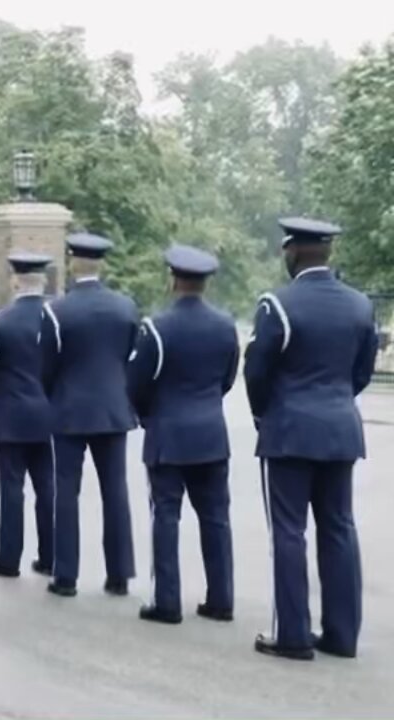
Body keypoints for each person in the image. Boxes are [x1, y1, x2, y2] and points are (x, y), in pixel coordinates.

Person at [244, 218, 378, 661]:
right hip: (340, 428)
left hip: (289, 431)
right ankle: (342, 635)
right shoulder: (360, 306)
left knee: (288, 531)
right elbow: (361, 371)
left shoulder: (278, 304)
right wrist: (335, 402)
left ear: (292, 252)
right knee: (339, 527)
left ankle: (294, 635)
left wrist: (264, 414)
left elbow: (257, 370)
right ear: (328, 253)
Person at [127, 245, 239, 625]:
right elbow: (226, 379)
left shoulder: (157, 327)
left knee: (166, 517)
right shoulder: (226, 325)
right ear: (205, 283)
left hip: (169, 432)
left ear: (172, 278)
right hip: (210, 432)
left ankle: (167, 601)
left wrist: (148, 415)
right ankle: (221, 598)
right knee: (216, 517)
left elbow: (137, 383)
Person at [39, 233, 138, 598]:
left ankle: (66, 575)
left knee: (66, 491)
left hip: (69, 407)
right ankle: (119, 574)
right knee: (115, 491)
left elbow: (46, 366)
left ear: (72, 262)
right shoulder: (125, 307)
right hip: (113, 409)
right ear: (101, 264)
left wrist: (57, 394)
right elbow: (130, 355)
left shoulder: (57, 310)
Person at [0, 252, 55, 578]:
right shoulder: (57, 319)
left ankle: (9, 558)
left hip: (10, 415)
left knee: (10, 489)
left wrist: (1, 402)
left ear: (15, 281)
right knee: (48, 487)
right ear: (44, 282)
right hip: (50, 415)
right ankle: (51, 556)